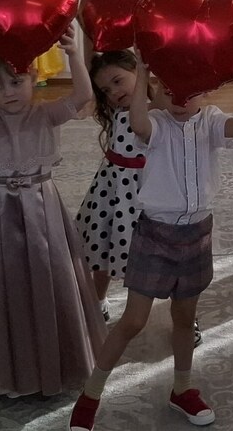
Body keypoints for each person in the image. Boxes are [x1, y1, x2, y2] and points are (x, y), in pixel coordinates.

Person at [69, 63, 233, 430]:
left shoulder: (211, 120)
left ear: (205, 92)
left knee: (184, 319)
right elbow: (138, 122)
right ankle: (90, 395)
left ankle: (182, 389)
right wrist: (141, 70)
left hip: (197, 236)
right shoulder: (154, 123)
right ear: (156, 89)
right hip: (154, 235)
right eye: (169, 92)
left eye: (188, 93)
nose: (179, 101)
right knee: (133, 321)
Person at [0, 29, 104, 408]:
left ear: (33, 77)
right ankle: (0, 374)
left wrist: (74, 54)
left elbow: (83, 96)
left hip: (42, 208)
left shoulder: (45, 114)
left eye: (16, 82)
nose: (8, 93)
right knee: (0, 285)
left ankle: (59, 365)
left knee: (53, 279)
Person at [76, 50, 146, 322]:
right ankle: (98, 300)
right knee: (102, 247)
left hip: (147, 193)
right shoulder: (116, 112)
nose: (114, 92)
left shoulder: (158, 108)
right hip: (111, 191)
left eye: (118, 81)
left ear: (137, 70)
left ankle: (183, 311)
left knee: (156, 255)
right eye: (106, 89)